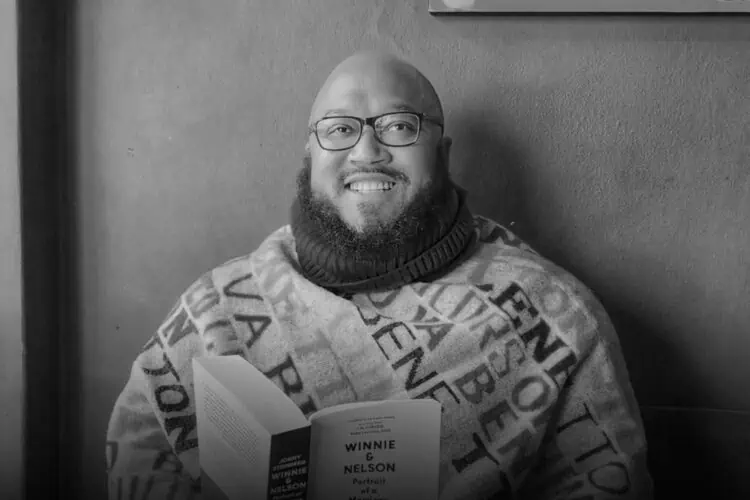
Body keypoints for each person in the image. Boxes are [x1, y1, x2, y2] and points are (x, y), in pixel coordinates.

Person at [105, 50, 653, 499]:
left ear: (441, 153)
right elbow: (139, 462)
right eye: (340, 129)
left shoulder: (554, 317)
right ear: (310, 154)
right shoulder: (213, 309)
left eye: (398, 126)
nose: (367, 151)